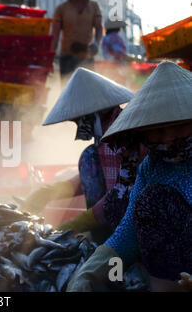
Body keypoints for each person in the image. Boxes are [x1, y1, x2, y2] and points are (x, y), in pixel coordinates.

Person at [67, 61, 192, 292]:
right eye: (157, 128)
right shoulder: (151, 166)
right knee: (147, 202)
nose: (165, 137)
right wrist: (93, 270)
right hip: (170, 270)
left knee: (155, 198)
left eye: (176, 126)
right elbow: (128, 232)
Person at [22, 68, 134, 242]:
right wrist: (55, 191)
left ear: (92, 113)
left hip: (130, 216)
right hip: (114, 203)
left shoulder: (123, 135)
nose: (77, 125)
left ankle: (108, 239)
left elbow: (121, 192)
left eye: (78, 120)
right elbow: (96, 176)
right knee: (89, 157)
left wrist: (82, 222)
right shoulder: (103, 136)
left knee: (88, 156)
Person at [51, 0, 103, 77]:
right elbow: (55, 35)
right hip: (67, 57)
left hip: (87, 56)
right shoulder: (61, 9)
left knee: (88, 87)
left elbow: (99, 27)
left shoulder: (94, 6)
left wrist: (97, 43)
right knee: (69, 87)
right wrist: (51, 58)